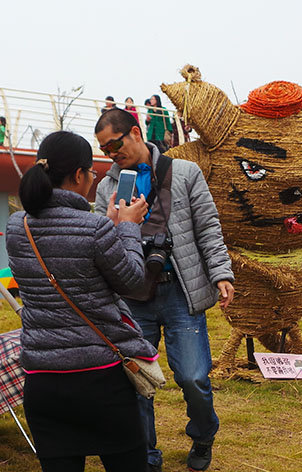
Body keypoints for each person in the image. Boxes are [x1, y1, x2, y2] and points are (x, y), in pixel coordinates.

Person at [94, 109, 235, 472]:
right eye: (104, 149)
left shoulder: (186, 172)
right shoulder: (107, 188)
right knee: (135, 381)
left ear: (136, 133)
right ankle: (146, 456)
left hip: (180, 291)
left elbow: (208, 226)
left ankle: (203, 434)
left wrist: (221, 273)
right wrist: (110, 223)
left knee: (193, 377)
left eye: (114, 143)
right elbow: (98, 246)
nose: (111, 153)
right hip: (131, 297)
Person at [5, 131, 154, 472]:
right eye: (91, 170)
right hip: (100, 380)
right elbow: (132, 282)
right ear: (76, 175)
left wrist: (110, 229)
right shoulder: (96, 228)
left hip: (42, 381)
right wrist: (127, 228)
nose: (95, 176)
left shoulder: (17, 226)